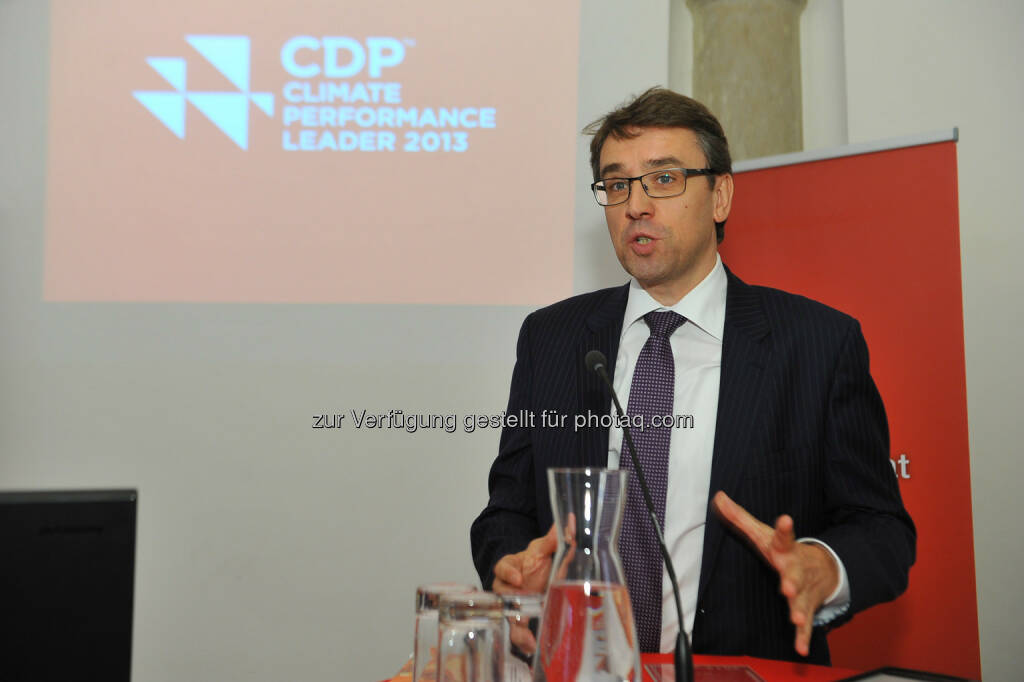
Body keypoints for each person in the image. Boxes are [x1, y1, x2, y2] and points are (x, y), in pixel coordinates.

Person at [469, 87, 915, 665]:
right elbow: (506, 511)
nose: (636, 205)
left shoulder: (816, 344)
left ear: (721, 194)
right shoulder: (552, 339)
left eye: (663, 179)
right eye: (617, 184)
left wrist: (823, 566)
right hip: (579, 669)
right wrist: (510, 570)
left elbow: (882, 529)